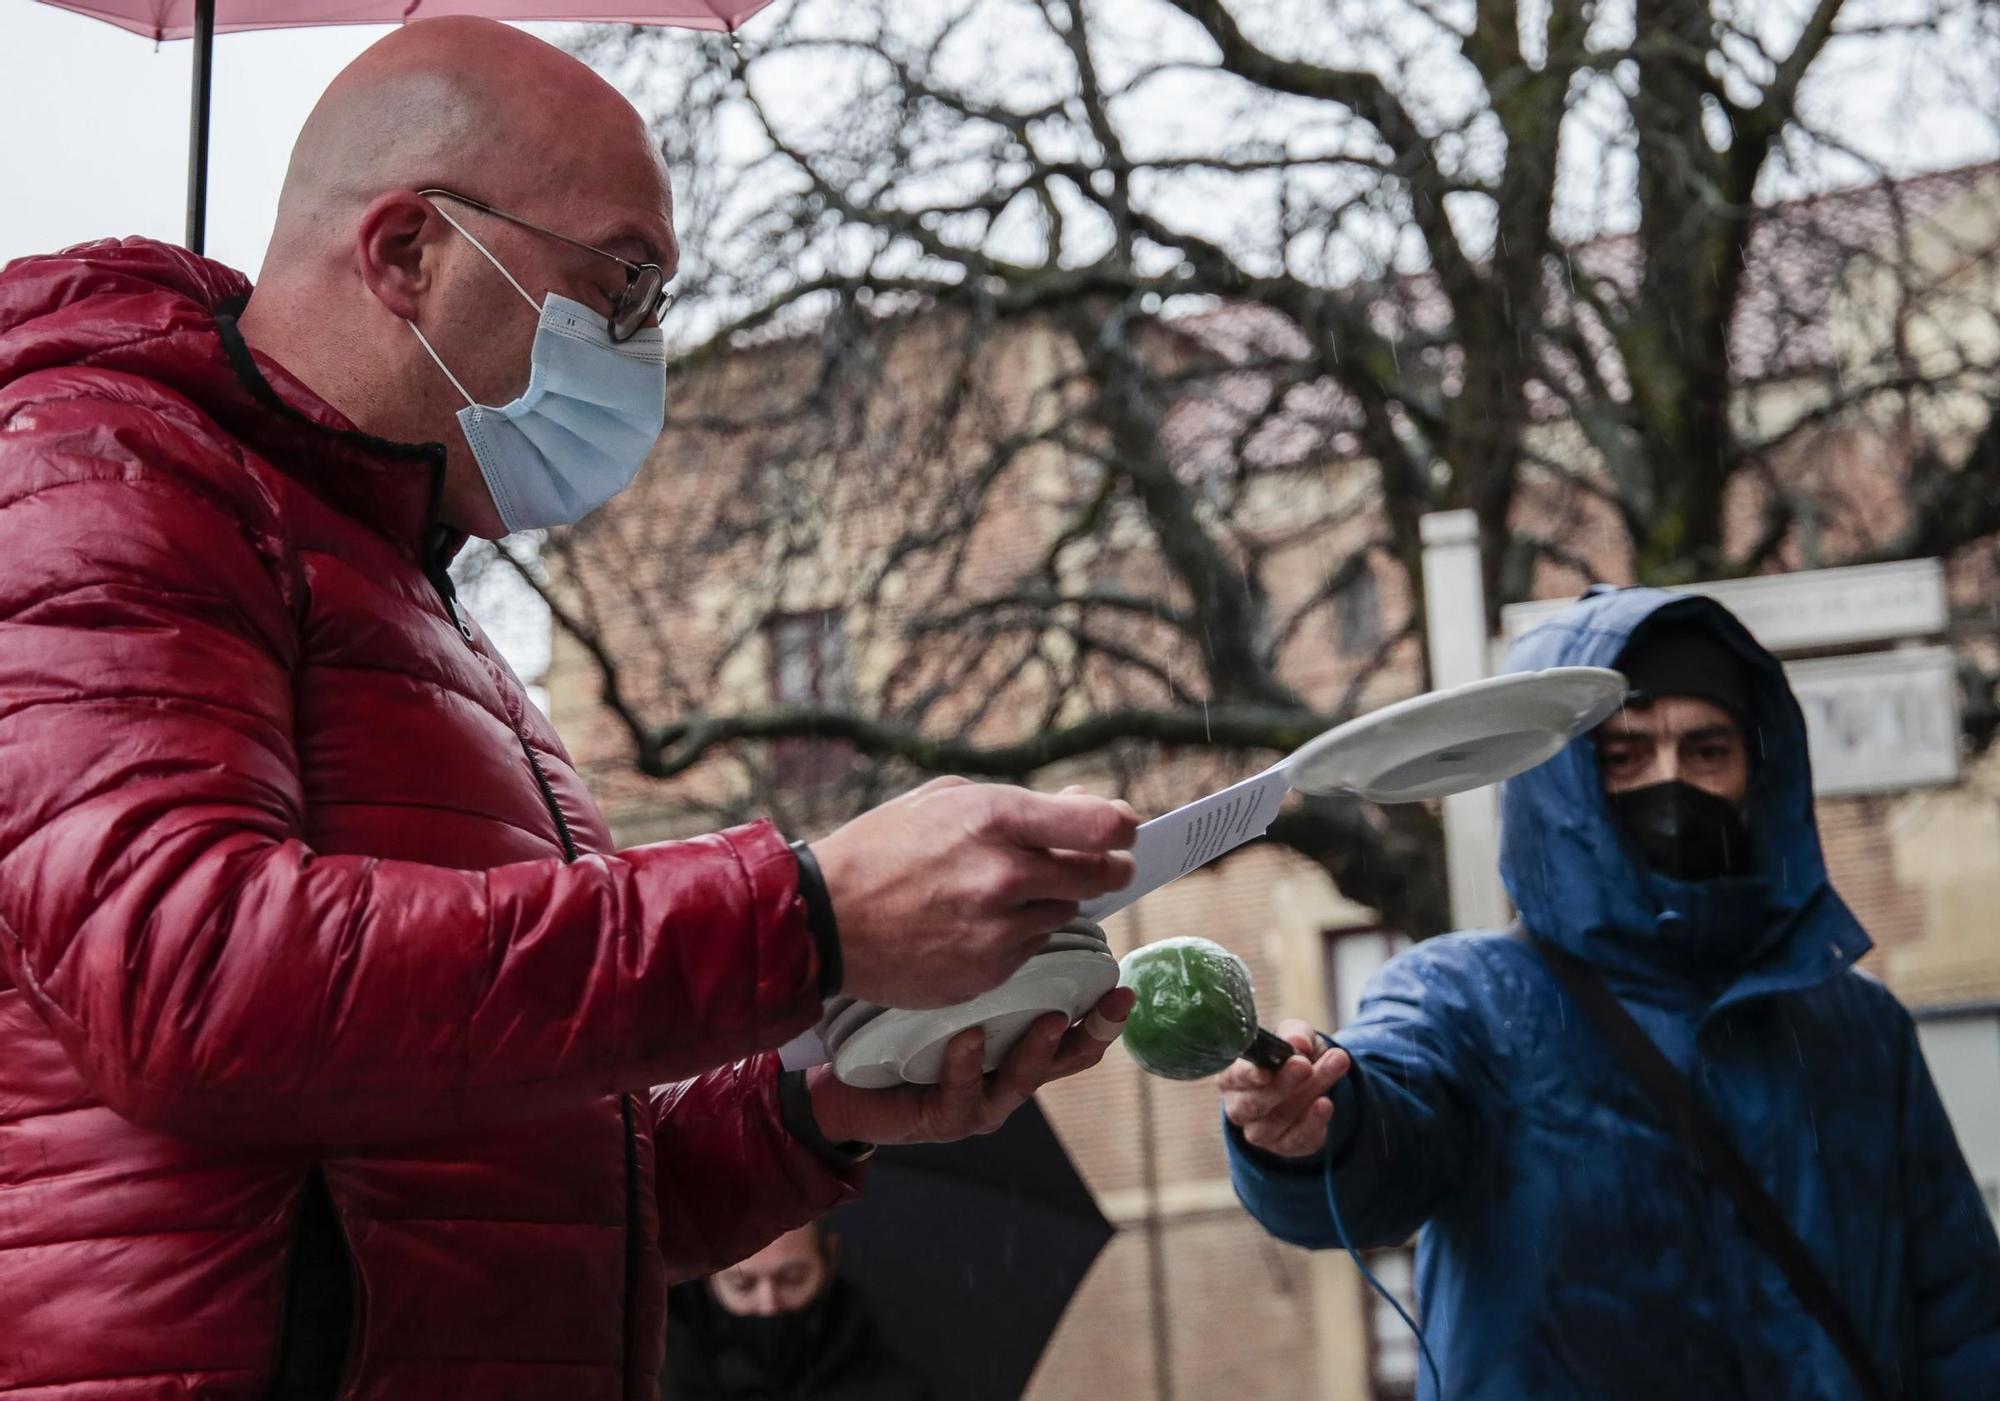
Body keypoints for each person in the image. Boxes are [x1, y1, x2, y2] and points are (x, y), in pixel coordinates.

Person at [0, 18, 1141, 1398]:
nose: (645, 343)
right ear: (406, 251)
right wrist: (806, 913)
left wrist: (818, 1110)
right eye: (624, 283)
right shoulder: (101, 469)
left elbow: (527, 1183)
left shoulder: (433, 616)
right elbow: (189, 978)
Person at [1221, 586, 2000, 1398]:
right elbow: (1389, 1117)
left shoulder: (1860, 1026)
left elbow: (1962, 1319)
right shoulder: (1472, 1002)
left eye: (1706, 750)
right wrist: (1312, 1127)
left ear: (1757, 771)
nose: (1671, 781)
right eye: (1624, 755)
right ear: (1561, 783)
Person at [661, 1223, 932, 1401]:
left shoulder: (894, 1392)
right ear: (709, 1276)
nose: (768, 1304)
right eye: (742, 1284)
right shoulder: (650, 1381)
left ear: (829, 1258)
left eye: (792, 1278)